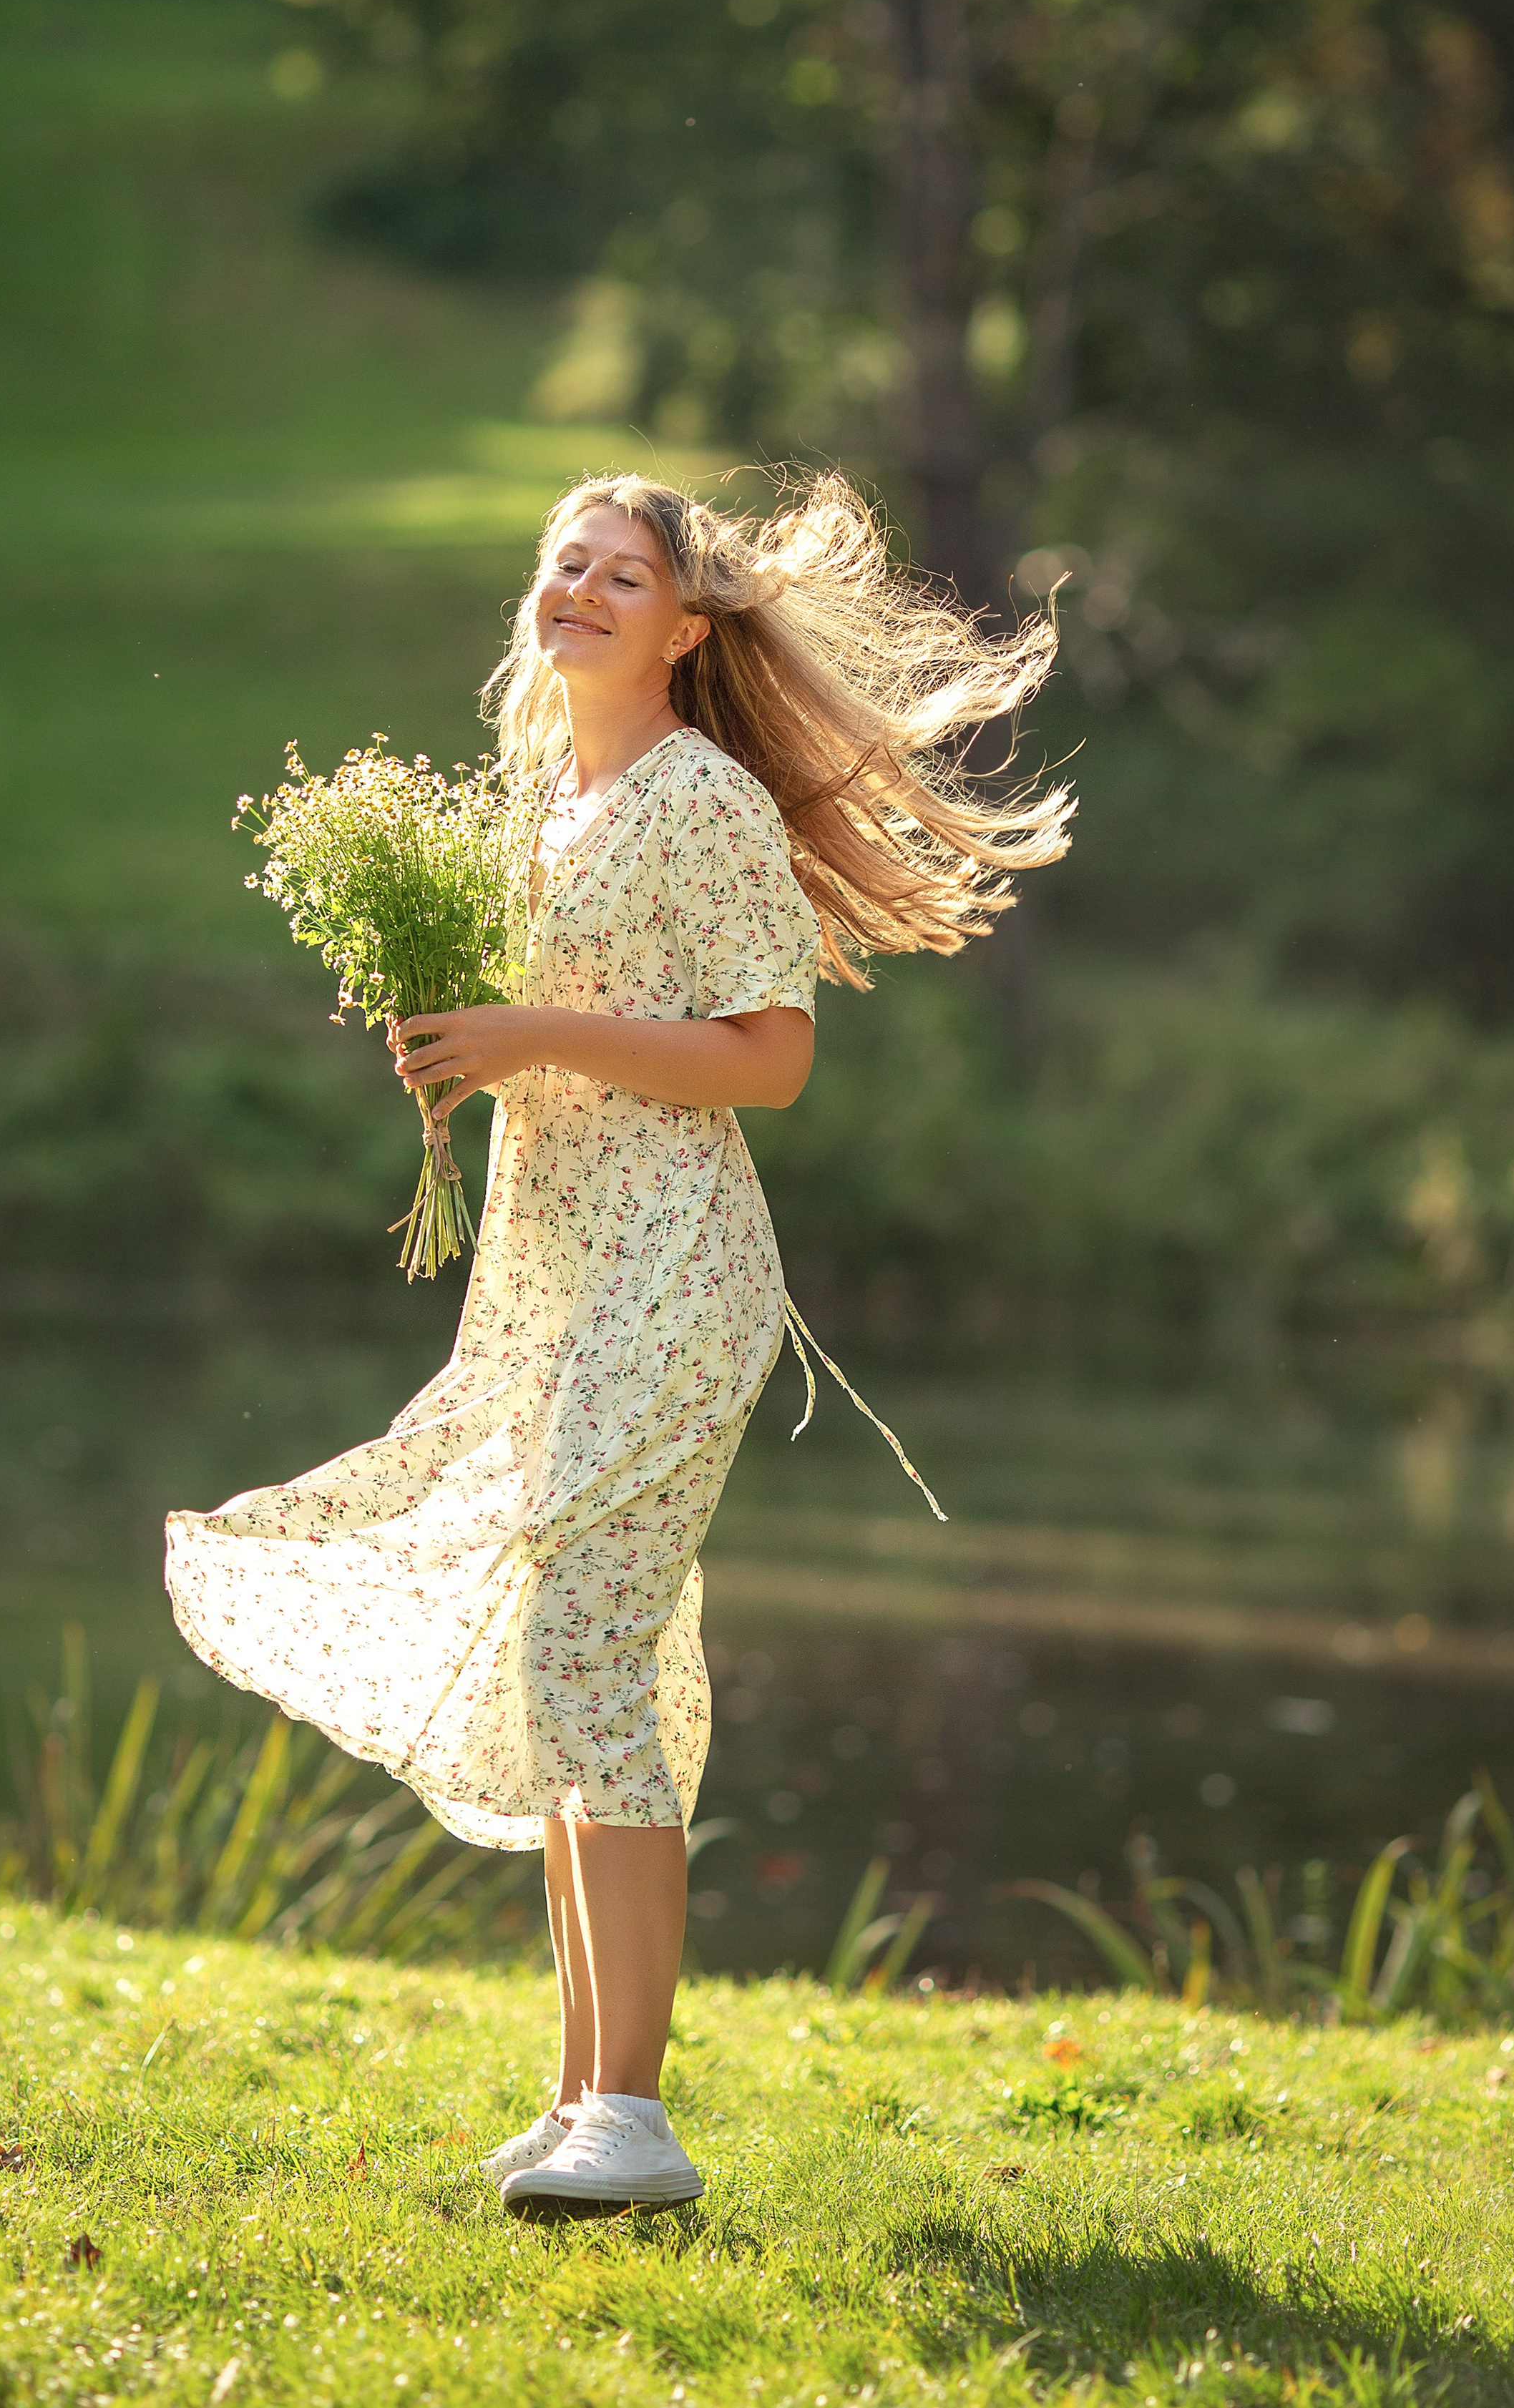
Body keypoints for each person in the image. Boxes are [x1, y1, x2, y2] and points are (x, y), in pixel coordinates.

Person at [166, 471, 1070, 2213]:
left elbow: (768, 1056)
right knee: (581, 1664)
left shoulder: (699, 799)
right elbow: (549, 1039)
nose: (577, 588)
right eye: (560, 563)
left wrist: (529, 1028)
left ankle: (634, 2116)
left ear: (686, 625)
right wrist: (460, 1042)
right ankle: (587, 2093)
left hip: (670, 1274)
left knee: (582, 1648)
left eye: (620, 571)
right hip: (553, 1281)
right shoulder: (542, 800)